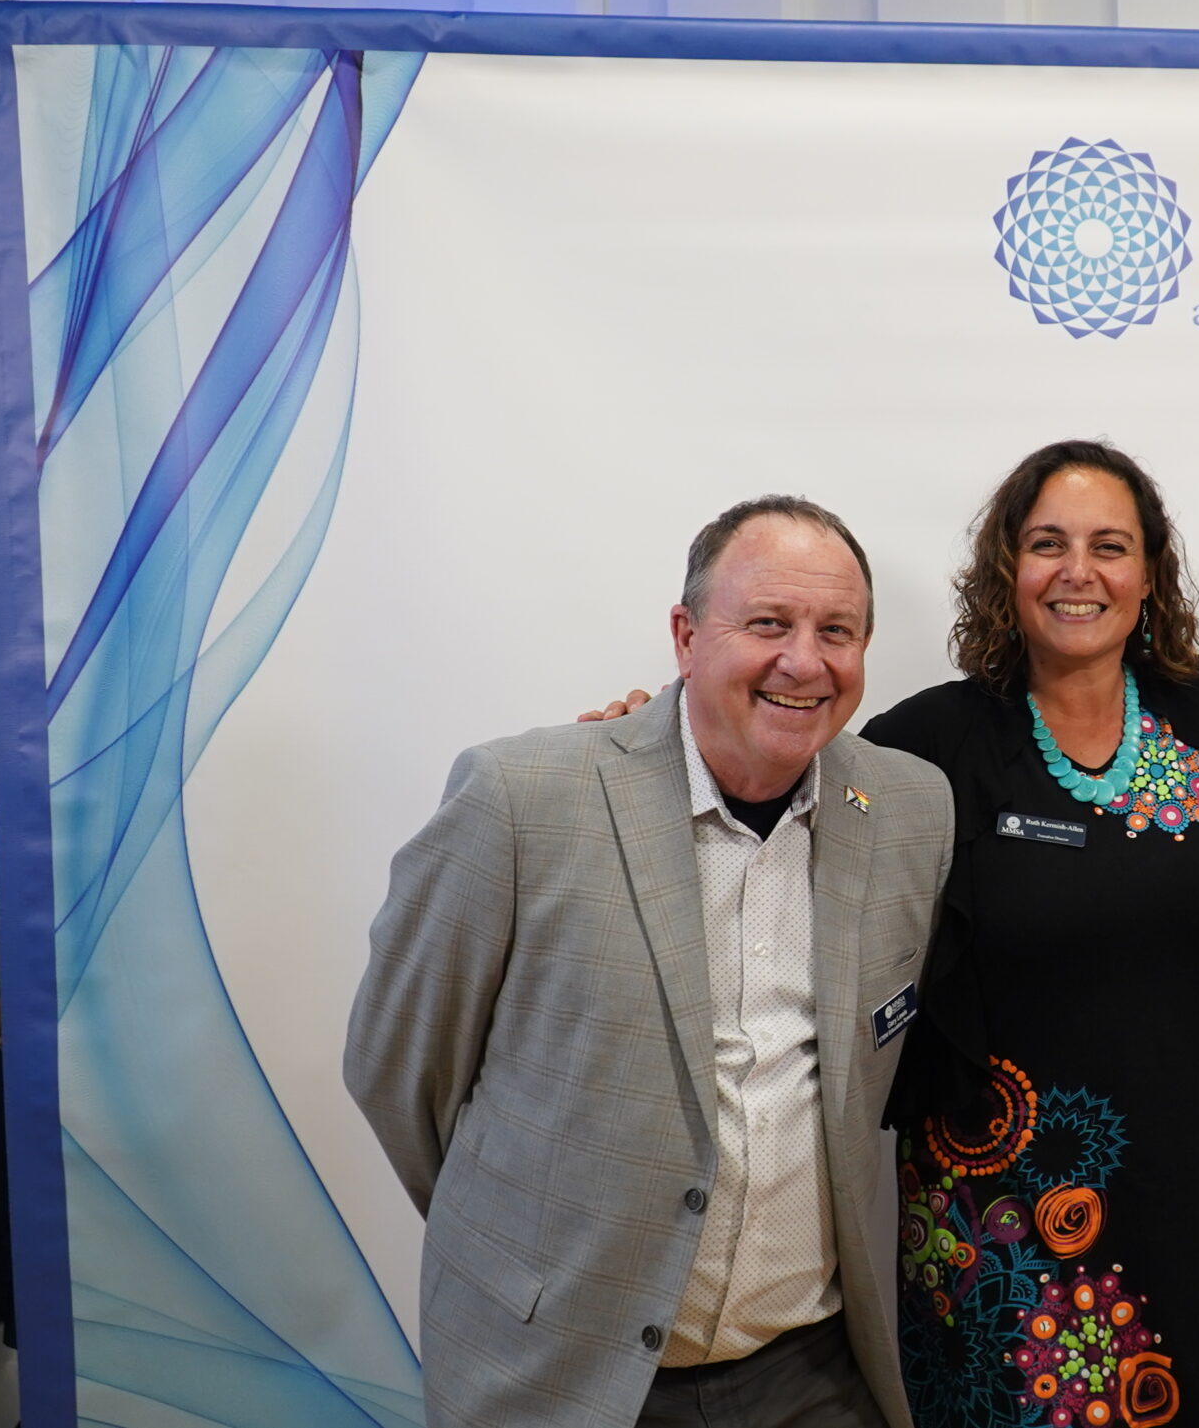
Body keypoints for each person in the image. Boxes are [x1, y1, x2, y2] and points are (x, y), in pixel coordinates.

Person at [582, 442, 1199, 1428]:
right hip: (999, 1225)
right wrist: (652, 734)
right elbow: (775, 764)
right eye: (1047, 543)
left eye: (1110, 545)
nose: (1080, 571)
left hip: (1192, 1185)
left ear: (1149, 572)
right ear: (1007, 570)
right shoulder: (934, 742)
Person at [343, 497, 955, 1428]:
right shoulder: (524, 799)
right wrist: (529, 1261)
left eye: (837, 631)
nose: (804, 659)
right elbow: (400, 1069)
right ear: (685, 634)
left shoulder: (911, 808)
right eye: (767, 623)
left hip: (811, 1373)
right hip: (563, 1377)